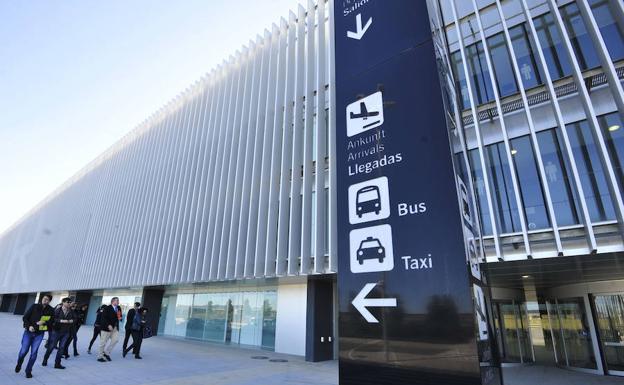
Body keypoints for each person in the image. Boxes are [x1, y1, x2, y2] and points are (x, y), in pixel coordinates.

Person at [15, 294, 54, 379]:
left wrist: (44, 323)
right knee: (23, 351)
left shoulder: (51, 310)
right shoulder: (34, 306)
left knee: (34, 353)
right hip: (28, 332)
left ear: (49, 301)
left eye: (47, 299)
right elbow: (25, 318)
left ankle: (28, 371)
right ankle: (19, 363)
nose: (45, 300)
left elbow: (51, 322)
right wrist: (29, 326)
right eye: (44, 298)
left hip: (39, 334)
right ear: (42, 299)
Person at [42, 297, 75, 369]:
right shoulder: (57, 310)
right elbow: (53, 319)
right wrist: (61, 321)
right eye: (67, 302)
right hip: (56, 331)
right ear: (63, 302)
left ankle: (57, 363)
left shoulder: (71, 311)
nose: (69, 303)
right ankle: (45, 359)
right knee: (51, 346)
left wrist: (72, 321)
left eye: (70, 302)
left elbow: (75, 319)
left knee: (61, 348)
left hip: (66, 332)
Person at [98, 297, 122, 362]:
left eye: (118, 301)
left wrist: (120, 317)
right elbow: (103, 318)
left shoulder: (118, 308)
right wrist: (108, 325)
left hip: (115, 328)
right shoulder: (107, 308)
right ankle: (100, 356)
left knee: (115, 340)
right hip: (106, 328)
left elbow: (119, 315)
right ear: (112, 301)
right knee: (103, 342)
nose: (118, 302)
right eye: (117, 301)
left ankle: (106, 353)